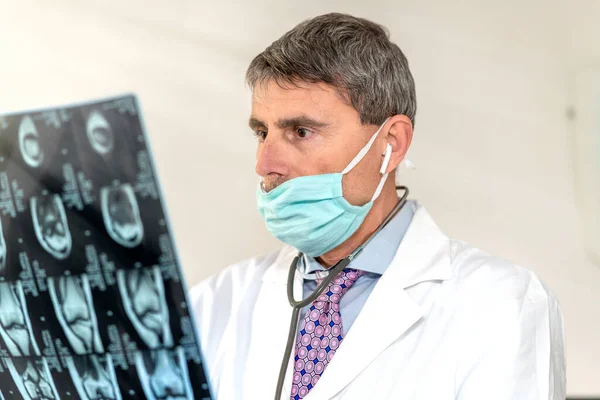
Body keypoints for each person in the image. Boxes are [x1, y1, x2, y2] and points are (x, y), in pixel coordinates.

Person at [190, 13, 566, 400]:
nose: (265, 164)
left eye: (301, 132)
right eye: (261, 132)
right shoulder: (213, 304)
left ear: (392, 143)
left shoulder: (502, 305)